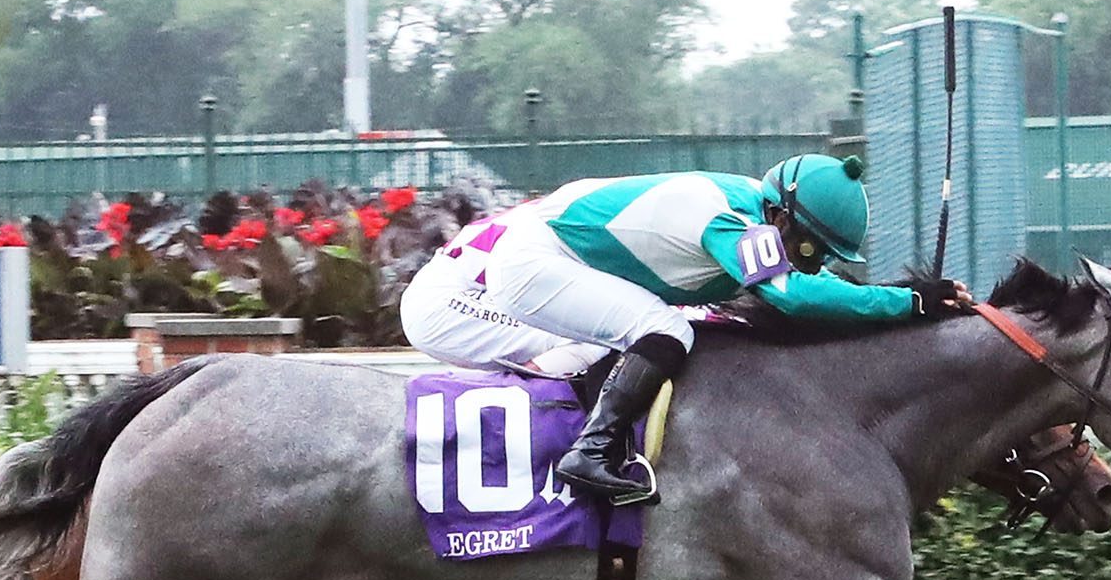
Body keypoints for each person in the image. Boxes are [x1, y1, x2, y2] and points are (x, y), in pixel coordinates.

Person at [401, 154, 970, 504]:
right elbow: (791, 295)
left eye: (823, 256)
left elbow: (808, 289)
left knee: (662, 333)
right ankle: (585, 456)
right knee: (666, 333)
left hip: (544, 259)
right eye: (808, 247)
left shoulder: (755, 209)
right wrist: (909, 301)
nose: (811, 262)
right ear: (782, 217)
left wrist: (905, 304)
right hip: (527, 266)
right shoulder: (729, 218)